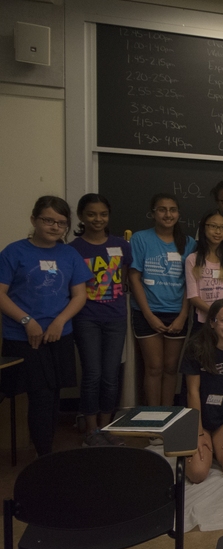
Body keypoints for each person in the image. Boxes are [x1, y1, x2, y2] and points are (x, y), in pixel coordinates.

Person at [0, 196, 92, 456]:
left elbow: (79, 295)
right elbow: (1, 293)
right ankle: (44, 456)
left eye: (61, 223)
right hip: (24, 336)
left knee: (54, 395)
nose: (55, 227)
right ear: (34, 220)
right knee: (39, 395)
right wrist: (27, 321)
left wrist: (60, 321)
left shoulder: (69, 253)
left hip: (59, 334)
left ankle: (47, 449)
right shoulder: (14, 252)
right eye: (48, 220)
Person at [70, 193, 132, 446]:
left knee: (110, 374)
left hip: (116, 317)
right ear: (82, 216)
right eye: (92, 214)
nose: (98, 219)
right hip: (86, 318)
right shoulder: (73, 249)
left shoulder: (121, 245)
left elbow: (125, 278)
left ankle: (107, 427)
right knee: (92, 373)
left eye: (103, 214)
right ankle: (92, 430)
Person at [129, 193, 196, 406]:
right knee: (154, 367)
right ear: (153, 213)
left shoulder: (188, 242)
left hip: (177, 313)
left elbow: (190, 282)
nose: (168, 214)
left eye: (172, 210)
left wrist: (183, 315)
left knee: (170, 368)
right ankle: (153, 415)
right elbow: (134, 277)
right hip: (146, 313)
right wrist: (148, 315)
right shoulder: (140, 238)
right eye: (162, 209)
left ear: (178, 213)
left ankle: (167, 415)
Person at [182, 299, 223, 483]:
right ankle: (208, 445)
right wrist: (199, 432)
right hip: (198, 418)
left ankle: (217, 447)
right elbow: (192, 392)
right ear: (212, 322)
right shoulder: (196, 347)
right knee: (197, 474)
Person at [186, 209, 223, 327]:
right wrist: (215, 313)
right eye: (213, 226)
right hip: (202, 320)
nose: (218, 231)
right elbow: (193, 296)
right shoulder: (192, 259)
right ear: (203, 227)